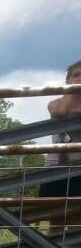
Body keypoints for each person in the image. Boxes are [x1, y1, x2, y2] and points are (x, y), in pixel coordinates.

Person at [40, 59, 81, 203]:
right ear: (68, 81)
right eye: (76, 75)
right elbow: (60, 112)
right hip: (53, 169)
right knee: (53, 217)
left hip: (79, 169)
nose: (80, 78)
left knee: (76, 217)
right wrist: (71, 90)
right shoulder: (55, 103)